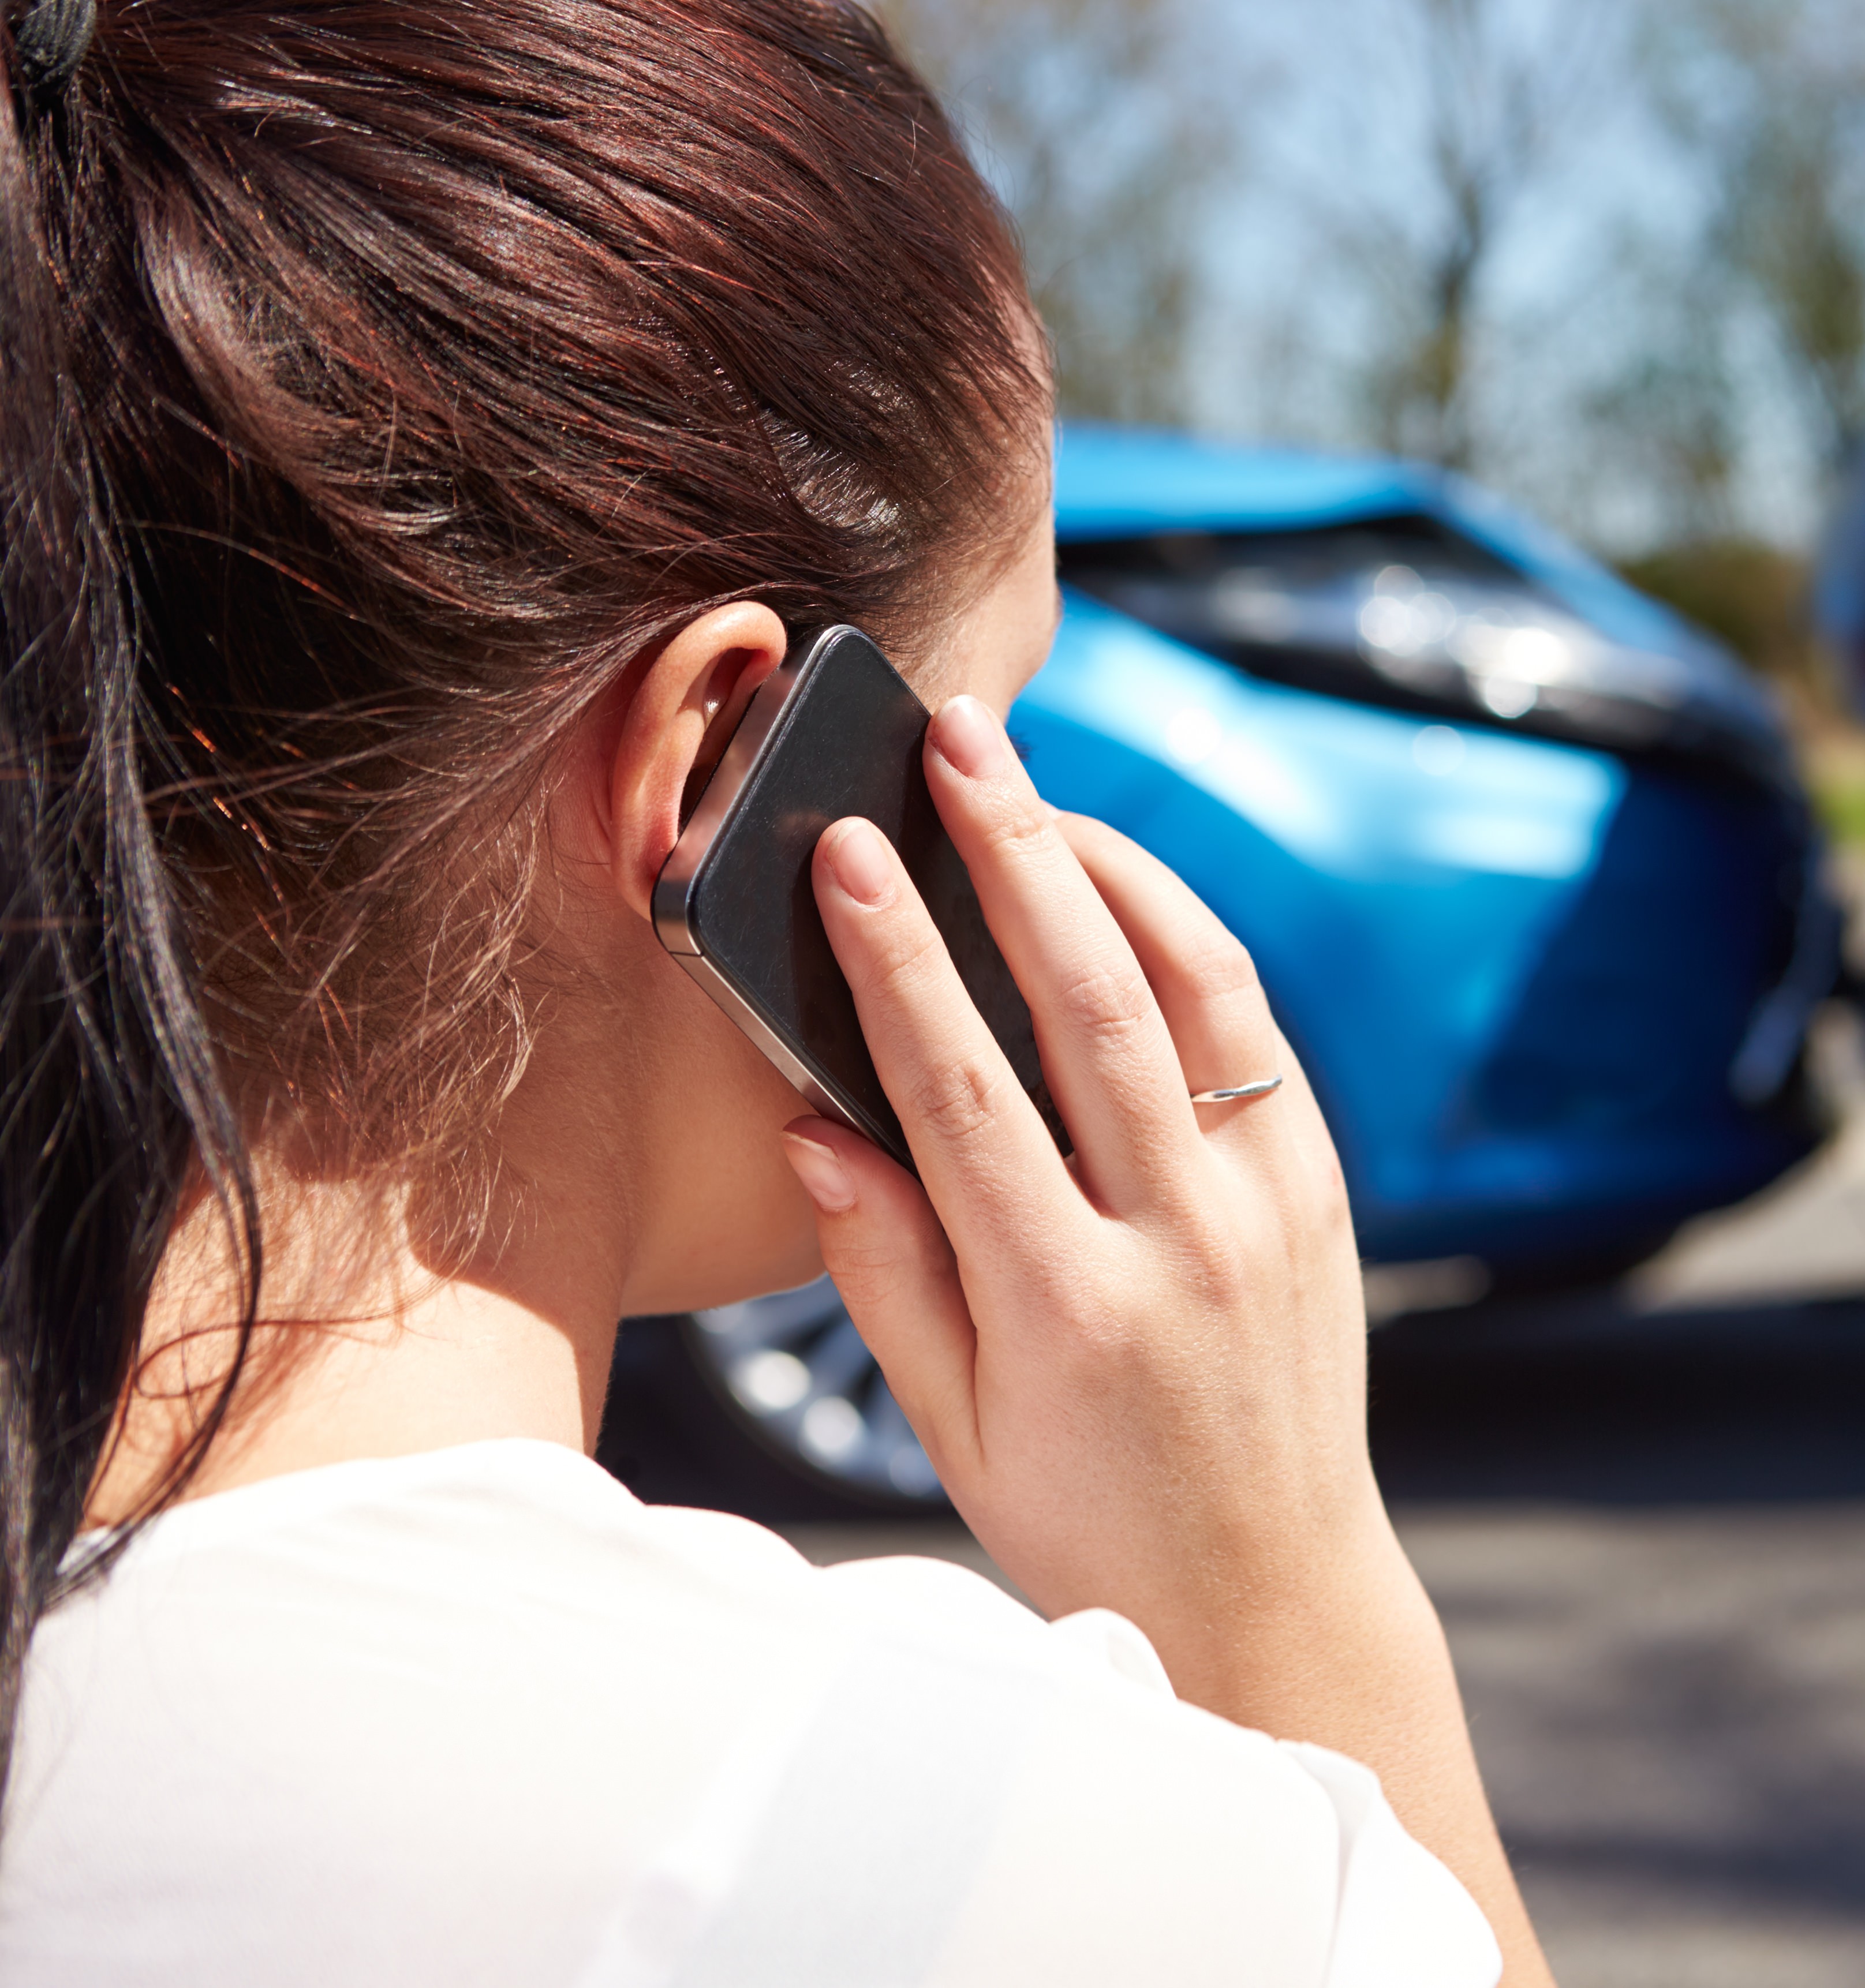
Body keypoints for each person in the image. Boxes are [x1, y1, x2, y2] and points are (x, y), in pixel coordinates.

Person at [0, 1, 1550, 1982]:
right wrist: (1294, 1601)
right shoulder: (990, 1853)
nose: (1025, 837)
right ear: (728, 757)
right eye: (994, 726)